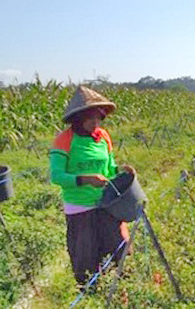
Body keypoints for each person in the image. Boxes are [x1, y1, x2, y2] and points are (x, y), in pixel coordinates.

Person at [49, 85, 133, 284]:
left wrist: (121, 170)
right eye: (90, 118)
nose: (95, 122)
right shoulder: (64, 140)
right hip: (80, 208)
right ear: (78, 118)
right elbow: (57, 176)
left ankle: (121, 291)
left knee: (120, 249)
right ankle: (90, 295)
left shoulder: (103, 137)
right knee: (85, 259)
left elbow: (109, 168)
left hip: (107, 204)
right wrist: (85, 179)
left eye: (99, 117)